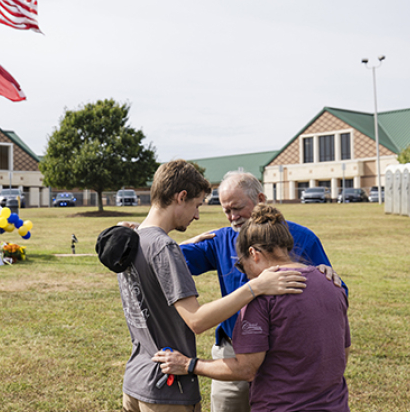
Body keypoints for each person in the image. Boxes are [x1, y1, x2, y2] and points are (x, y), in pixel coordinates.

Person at [109, 160, 308, 412]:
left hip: (136, 380)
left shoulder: (132, 241)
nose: (197, 215)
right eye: (196, 204)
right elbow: (197, 320)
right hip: (166, 389)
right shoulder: (164, 247)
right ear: (181, 197)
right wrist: (256, 286)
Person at [154, 203, 350, 412]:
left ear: (253, 253)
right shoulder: (332, 283)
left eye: (241, 265)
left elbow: (246, 368)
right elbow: (343, 353)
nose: (245, 274)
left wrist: (187, 365)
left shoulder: (261, 297)